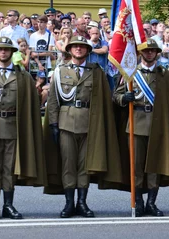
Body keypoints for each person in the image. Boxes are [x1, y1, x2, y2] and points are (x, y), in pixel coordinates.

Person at [44, 36, 123, 218]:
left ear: (88, 50)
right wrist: (53, 123)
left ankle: (82, 202)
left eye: (82, 47)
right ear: (69, 50)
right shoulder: (60, 71)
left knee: (84, 166)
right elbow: (54, 99)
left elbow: (104, 98)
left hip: (89, 123)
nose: (78, 49)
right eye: (75, 46)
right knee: (68, 164)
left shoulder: (96, 71)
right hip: (66, 122)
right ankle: (69, 203)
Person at [113, 38, 169, 217]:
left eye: (152, 51)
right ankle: (139, 202)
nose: (149, 53)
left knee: (154, 166)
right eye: (146, 51)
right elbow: (116, 95)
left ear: (157, 53)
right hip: (136, 123)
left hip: (158, 126)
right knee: (137, 166)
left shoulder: (164, 75)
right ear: (140, 53)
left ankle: (151, 203)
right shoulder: (130, 73)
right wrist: (123, 98)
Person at [0, 37, 46, 220]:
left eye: (6, 49)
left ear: (12, 52)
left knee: (9, 168)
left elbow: (31, 102)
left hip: (13, 125)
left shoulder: (23, 76)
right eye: (0, 49)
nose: (3, 52)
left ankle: (8, 205)